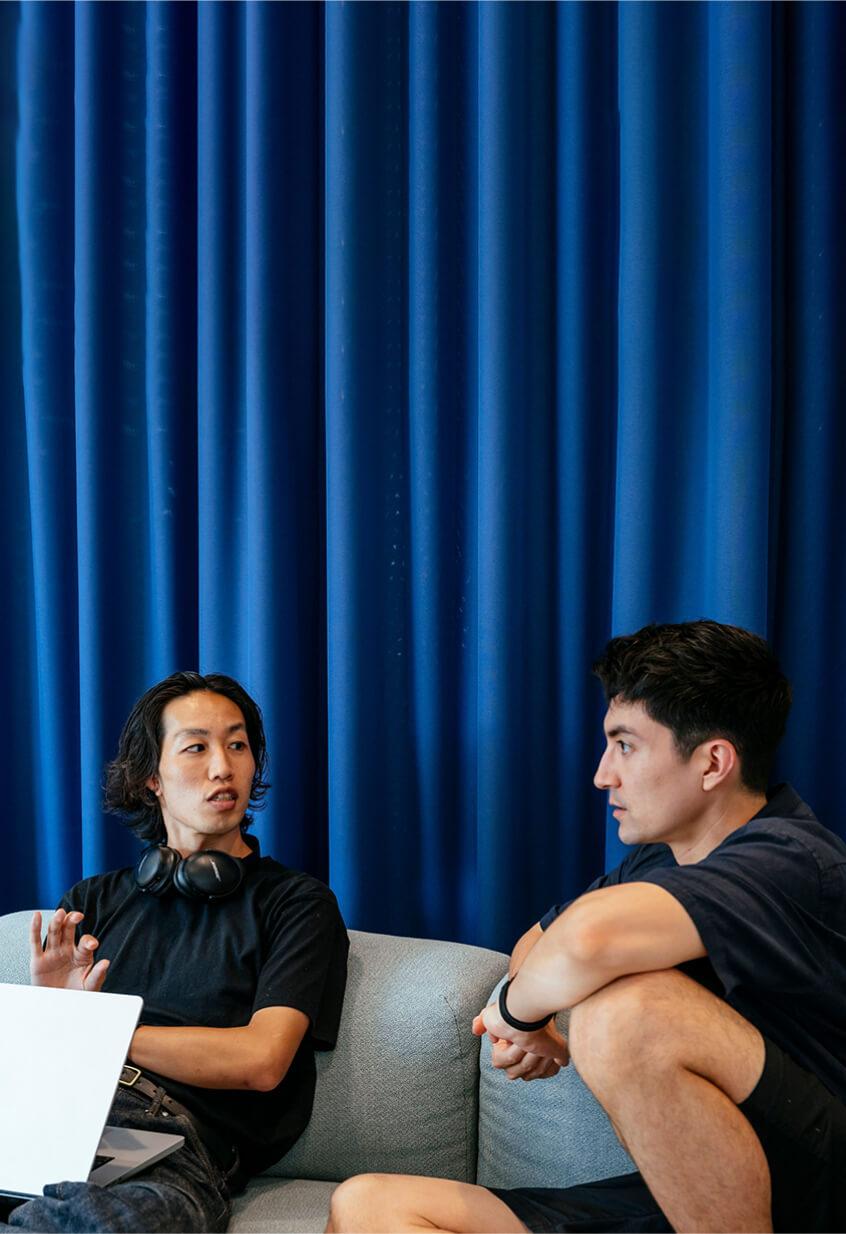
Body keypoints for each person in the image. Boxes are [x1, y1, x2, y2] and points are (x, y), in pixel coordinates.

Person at [328, 620, 846, 1234]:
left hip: (815, 1186)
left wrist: (516, 1016)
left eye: (625, 745)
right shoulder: (659, 859)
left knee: (627, 1015)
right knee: (368, 1206)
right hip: (683, 1194)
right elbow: (536, 944)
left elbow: (587, 940)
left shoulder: (791, 857)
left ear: (712, 763)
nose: (604, 774)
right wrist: (541, 1014)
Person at [4, 671, 348, 1234]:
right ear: (150, 779)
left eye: (238, 745)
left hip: (173, 1144)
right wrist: (55, 1018)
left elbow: (261, 1061)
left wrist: (97, 1030)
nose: (223, 767)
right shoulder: (92, 900)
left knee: (91, 1224)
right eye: (197, 747)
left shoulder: (296, 903)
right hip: (60, 1118)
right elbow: (44, 1071)